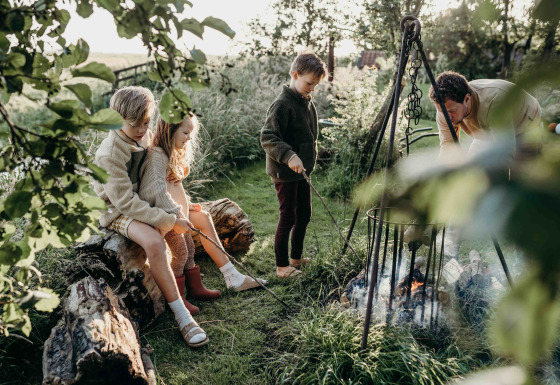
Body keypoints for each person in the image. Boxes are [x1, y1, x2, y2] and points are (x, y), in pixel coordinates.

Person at [93, 86, 208, 348]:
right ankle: (182, 316)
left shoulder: (140, 136)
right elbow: (126, 202)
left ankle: (188, 284)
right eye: (135, 125)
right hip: (116, 209)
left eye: (146, 123)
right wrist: (168, 221)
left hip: (139, 201)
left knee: (173, 229)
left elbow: (149, 173)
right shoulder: (110, 154)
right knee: (155, 242)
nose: (143, 130)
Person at [139, 113, 267, 309]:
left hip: (177, 212)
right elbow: (157, 192)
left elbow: (173, 189)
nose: (189, 137)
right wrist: (177, 213)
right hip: (167, 218)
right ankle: (177, 298)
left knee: (190, 248)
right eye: (185, 132)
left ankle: (202, 286)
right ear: (169, 130)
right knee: (180, 253)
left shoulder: (168, 153)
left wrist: (186, 203)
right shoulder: (157, 156)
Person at [260, 51, 327, 278]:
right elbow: (267, 137)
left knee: (305, 214)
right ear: (295, 74)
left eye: (315, 85)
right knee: (287, 216)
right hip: (284, 171)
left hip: (301, 172)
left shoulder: (306, 102)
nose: (312, 88)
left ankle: (295, 258)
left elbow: (309, 134)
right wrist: (289, 156)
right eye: (309, 83)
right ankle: (281, 267)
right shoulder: (282, 105)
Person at [429, 71, 541, 160]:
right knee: (473, 169)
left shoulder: (494, 102)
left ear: (467, 99)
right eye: (442, 112)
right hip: (488, 126)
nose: (447, 117)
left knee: (520, 179)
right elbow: (448, 147)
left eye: (452, 111)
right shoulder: (444, 109)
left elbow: (505, 153)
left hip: (524, 122)